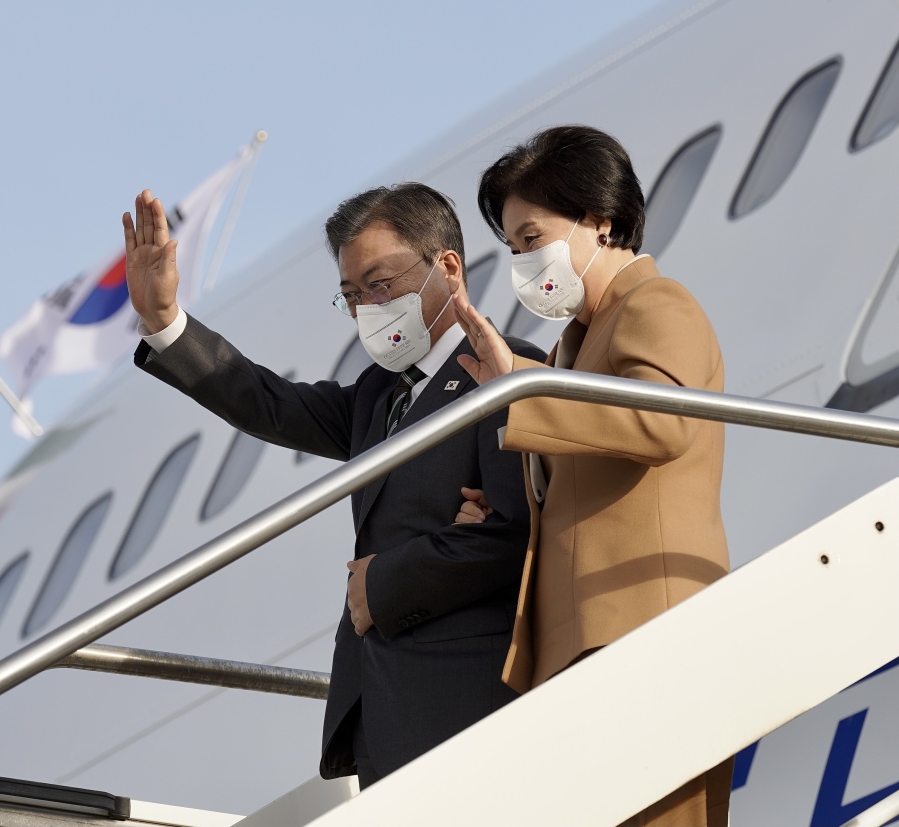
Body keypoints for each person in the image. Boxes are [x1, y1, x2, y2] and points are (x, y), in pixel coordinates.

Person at [122, 183, 543, 787]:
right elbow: (270, 404)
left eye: (381, 284)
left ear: (447, 268)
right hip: (383, 711)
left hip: (470, 693)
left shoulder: (508, 370)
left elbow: (518, 532)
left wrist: (383, 582)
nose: (366, 308)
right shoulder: (376, 395)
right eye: (350, 295)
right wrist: (166, 322)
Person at [451, 125, 732, 826]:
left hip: (645, 625)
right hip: (579, 646)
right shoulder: (574, 347)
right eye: (513, 246)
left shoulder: (657, 305)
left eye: (532, 237)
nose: (523, 261)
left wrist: (525, 385)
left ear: (600, 221)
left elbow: (660, 425)